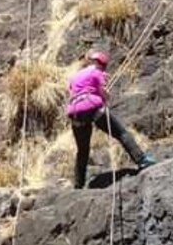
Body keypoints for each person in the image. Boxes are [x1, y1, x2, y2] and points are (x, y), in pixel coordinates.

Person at [66, 51, 156, 189]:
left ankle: (78, 184)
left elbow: (73, 93)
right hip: (92, 107)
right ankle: (141, 159)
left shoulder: (75, 77)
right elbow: (102, 92)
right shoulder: (97, 72)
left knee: (82, 150)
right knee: (121, 133)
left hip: (75, 113)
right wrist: (106, 96)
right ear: (100, 64)